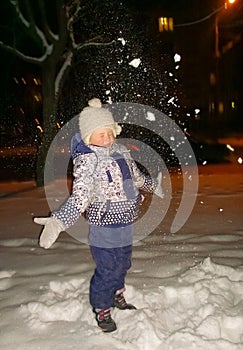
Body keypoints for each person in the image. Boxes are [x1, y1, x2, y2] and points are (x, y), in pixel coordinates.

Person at [34, 98, 163, 333]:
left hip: (126, 221)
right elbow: (80, 196)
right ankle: (101, 307)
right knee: (107, 268)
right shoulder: (87, 161)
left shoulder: (121, 151)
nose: (107, 139)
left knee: (123, 263)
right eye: (100, 134)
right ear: (88, 137)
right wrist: (59, 221)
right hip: (104, 226)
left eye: (109, 132)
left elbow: (135, 177)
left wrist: (153, 185)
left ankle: (116, 294)